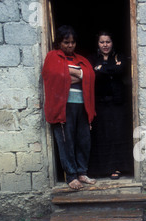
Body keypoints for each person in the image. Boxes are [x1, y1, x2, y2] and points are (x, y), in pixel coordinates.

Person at [42, 25, 97, 190]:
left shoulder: (82, 59)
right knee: (66, 141)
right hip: (63, 107)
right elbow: (53, 76)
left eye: (72, 42)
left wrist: (71, 74)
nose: (70, 45)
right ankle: (71, 175)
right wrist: (77, 75)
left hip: (82, 106)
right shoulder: (52, 57)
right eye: (66, 42)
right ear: (59, 42)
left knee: (83, 140)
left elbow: (90, 76)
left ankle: (82, 172)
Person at [88, 31, 130, 180]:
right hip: (100, 104)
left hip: (117, 103)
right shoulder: (93, 59)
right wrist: (110, 70)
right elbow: (93, 73)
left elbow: (121, 69)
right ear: (98, 44)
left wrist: (101, 69)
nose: (105, 45)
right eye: (102, 42)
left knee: (117, 134)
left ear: (112, 43)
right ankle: (102, 169)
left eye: (108, 42)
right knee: (102, 135)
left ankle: (116, 168)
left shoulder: (120, 57)